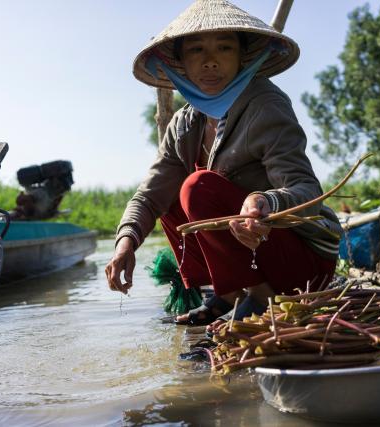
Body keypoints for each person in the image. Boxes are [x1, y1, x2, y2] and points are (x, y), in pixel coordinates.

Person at [106, 0, 341, 330]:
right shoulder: (185, 123)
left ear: (242, 57)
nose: (210, 62)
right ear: (181, 63)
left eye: (224, 48)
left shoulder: (265, 105)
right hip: (251, 259)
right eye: (197, 50)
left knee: (197, 186)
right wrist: (125, 245)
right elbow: (148, 196)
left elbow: (307, 191)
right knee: (170, 197)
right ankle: (227, 293)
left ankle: (259, 298)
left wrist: (265, 202)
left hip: (301, 261)